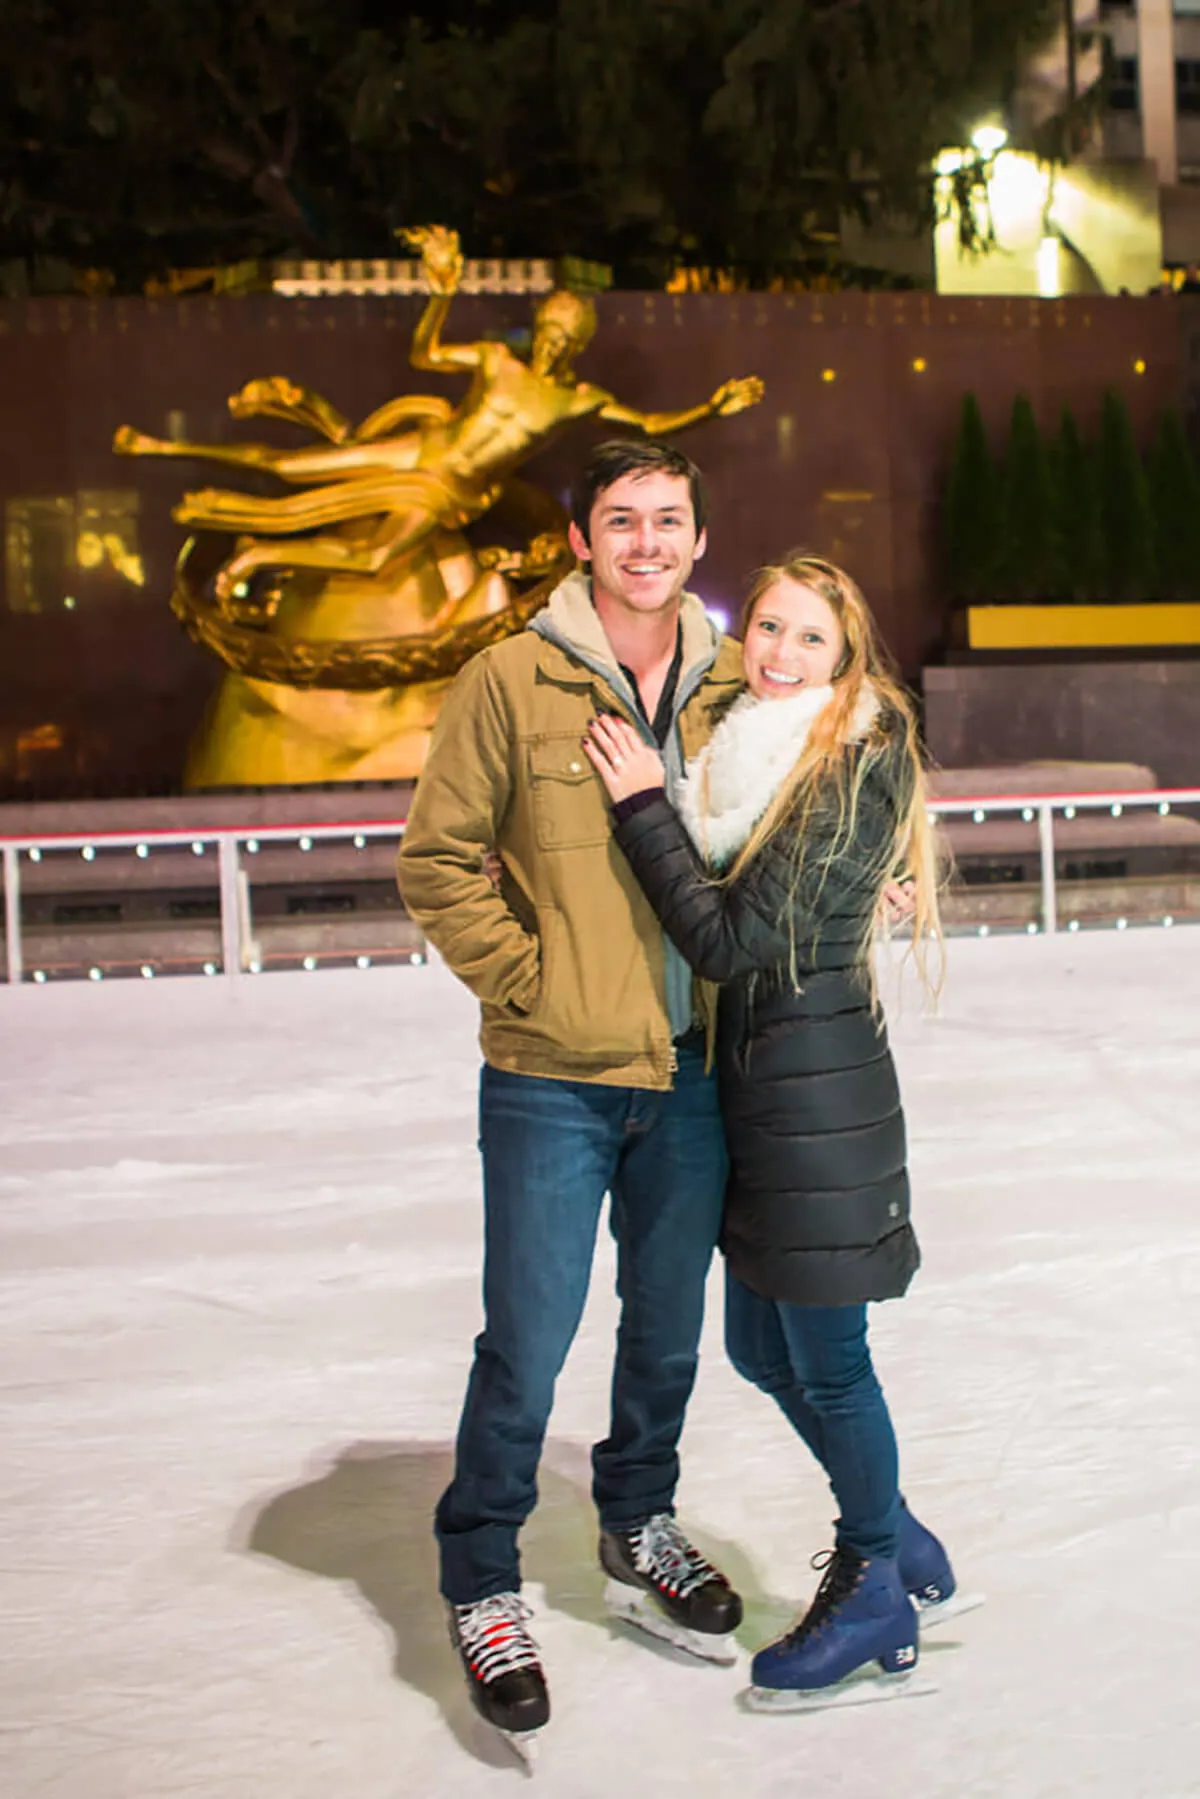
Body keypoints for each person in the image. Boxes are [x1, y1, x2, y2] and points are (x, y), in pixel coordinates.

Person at [396, 438, 748, 1747]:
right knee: (528, 1339)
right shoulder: (511, 676)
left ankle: (636, 1519)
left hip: (695, 1072)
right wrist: (528, 979)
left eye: (669, 519)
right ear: (578, 539)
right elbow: (436, 859)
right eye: (621, 520)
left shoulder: (732, 689)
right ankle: (483, 1568)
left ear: (699, 539)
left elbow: (782, 835)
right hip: (551, 1075)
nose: (647, 540)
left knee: (665, 1334)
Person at [583, 553, 967, 1707]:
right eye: (766, 627)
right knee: (761, 1350)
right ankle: (907, 1546)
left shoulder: (842, 763)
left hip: (817, 1102)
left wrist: (641, 802)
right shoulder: (755, 747)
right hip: (763, 1096)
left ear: (846, 657)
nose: (780, 653)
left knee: (830, 1364)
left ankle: (873, 1587)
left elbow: (731, 941)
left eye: (810, 638)